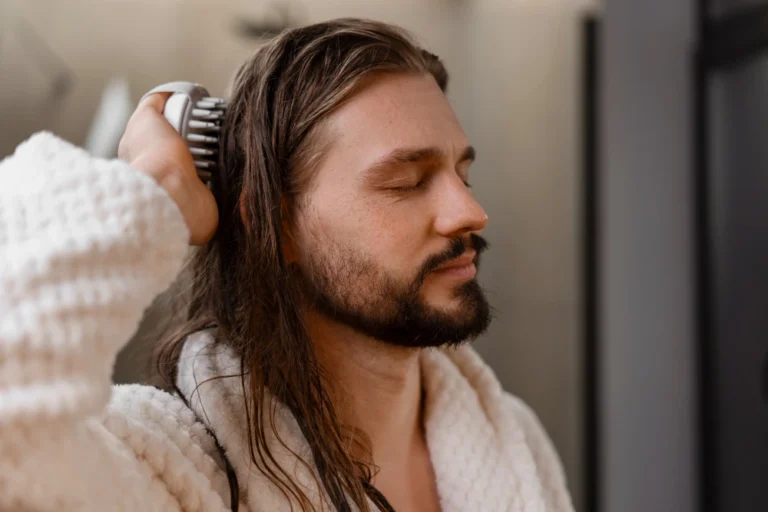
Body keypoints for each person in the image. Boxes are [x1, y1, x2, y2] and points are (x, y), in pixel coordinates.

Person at [0, 18, 573, 512]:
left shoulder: (511, 437)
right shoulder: (160, 466)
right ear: (274, 226)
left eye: (462, 174)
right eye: (407, 181)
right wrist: (155, 191)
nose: (470, 212)